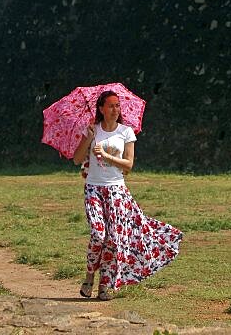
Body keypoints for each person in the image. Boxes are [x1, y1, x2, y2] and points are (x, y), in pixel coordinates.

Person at [72, 89, 183, 301]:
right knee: (98, 234)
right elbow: (77, 159)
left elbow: (129, 165)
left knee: (113, 239)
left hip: (117, 190)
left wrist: (105, 155)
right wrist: (88, 139)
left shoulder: (126, 132)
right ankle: (88, 276)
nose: (115, 109)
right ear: (101, 109)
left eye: (117, 105)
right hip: (94, 188)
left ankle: (104, 285)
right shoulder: (92, 130)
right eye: (111, 105)